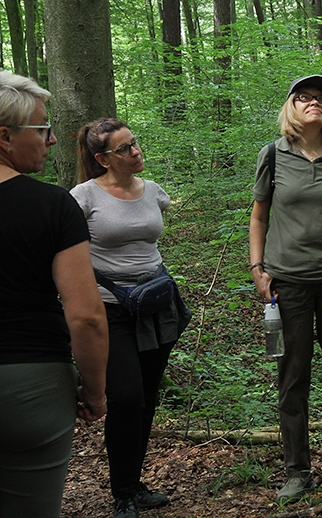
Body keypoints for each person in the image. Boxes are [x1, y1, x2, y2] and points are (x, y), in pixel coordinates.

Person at [249, 75, 322, 501]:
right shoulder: (273, 155)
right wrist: (258, 268)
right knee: (292, 377)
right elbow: (259, 217)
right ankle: (297, 470)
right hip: (289, 284)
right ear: (291, 107)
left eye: (321, 99)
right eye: (304, 97)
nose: (314, 103)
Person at [0, 71, 108, 517]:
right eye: (42, 129)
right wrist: (96, 394)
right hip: (29, 388)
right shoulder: (51, 205)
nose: (52, 140)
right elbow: (86, 316)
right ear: (4, 136)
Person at [72, 119, 191, 518]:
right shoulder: (83, 197)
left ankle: (135, 485)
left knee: (147, 400)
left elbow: (149, 239)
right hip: (109, 308)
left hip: (156, 305)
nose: (136, 151)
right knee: (126, 397)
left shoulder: (154, 192)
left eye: (135, 143)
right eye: (124, 149)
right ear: (102, 159)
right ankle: (122, 492)